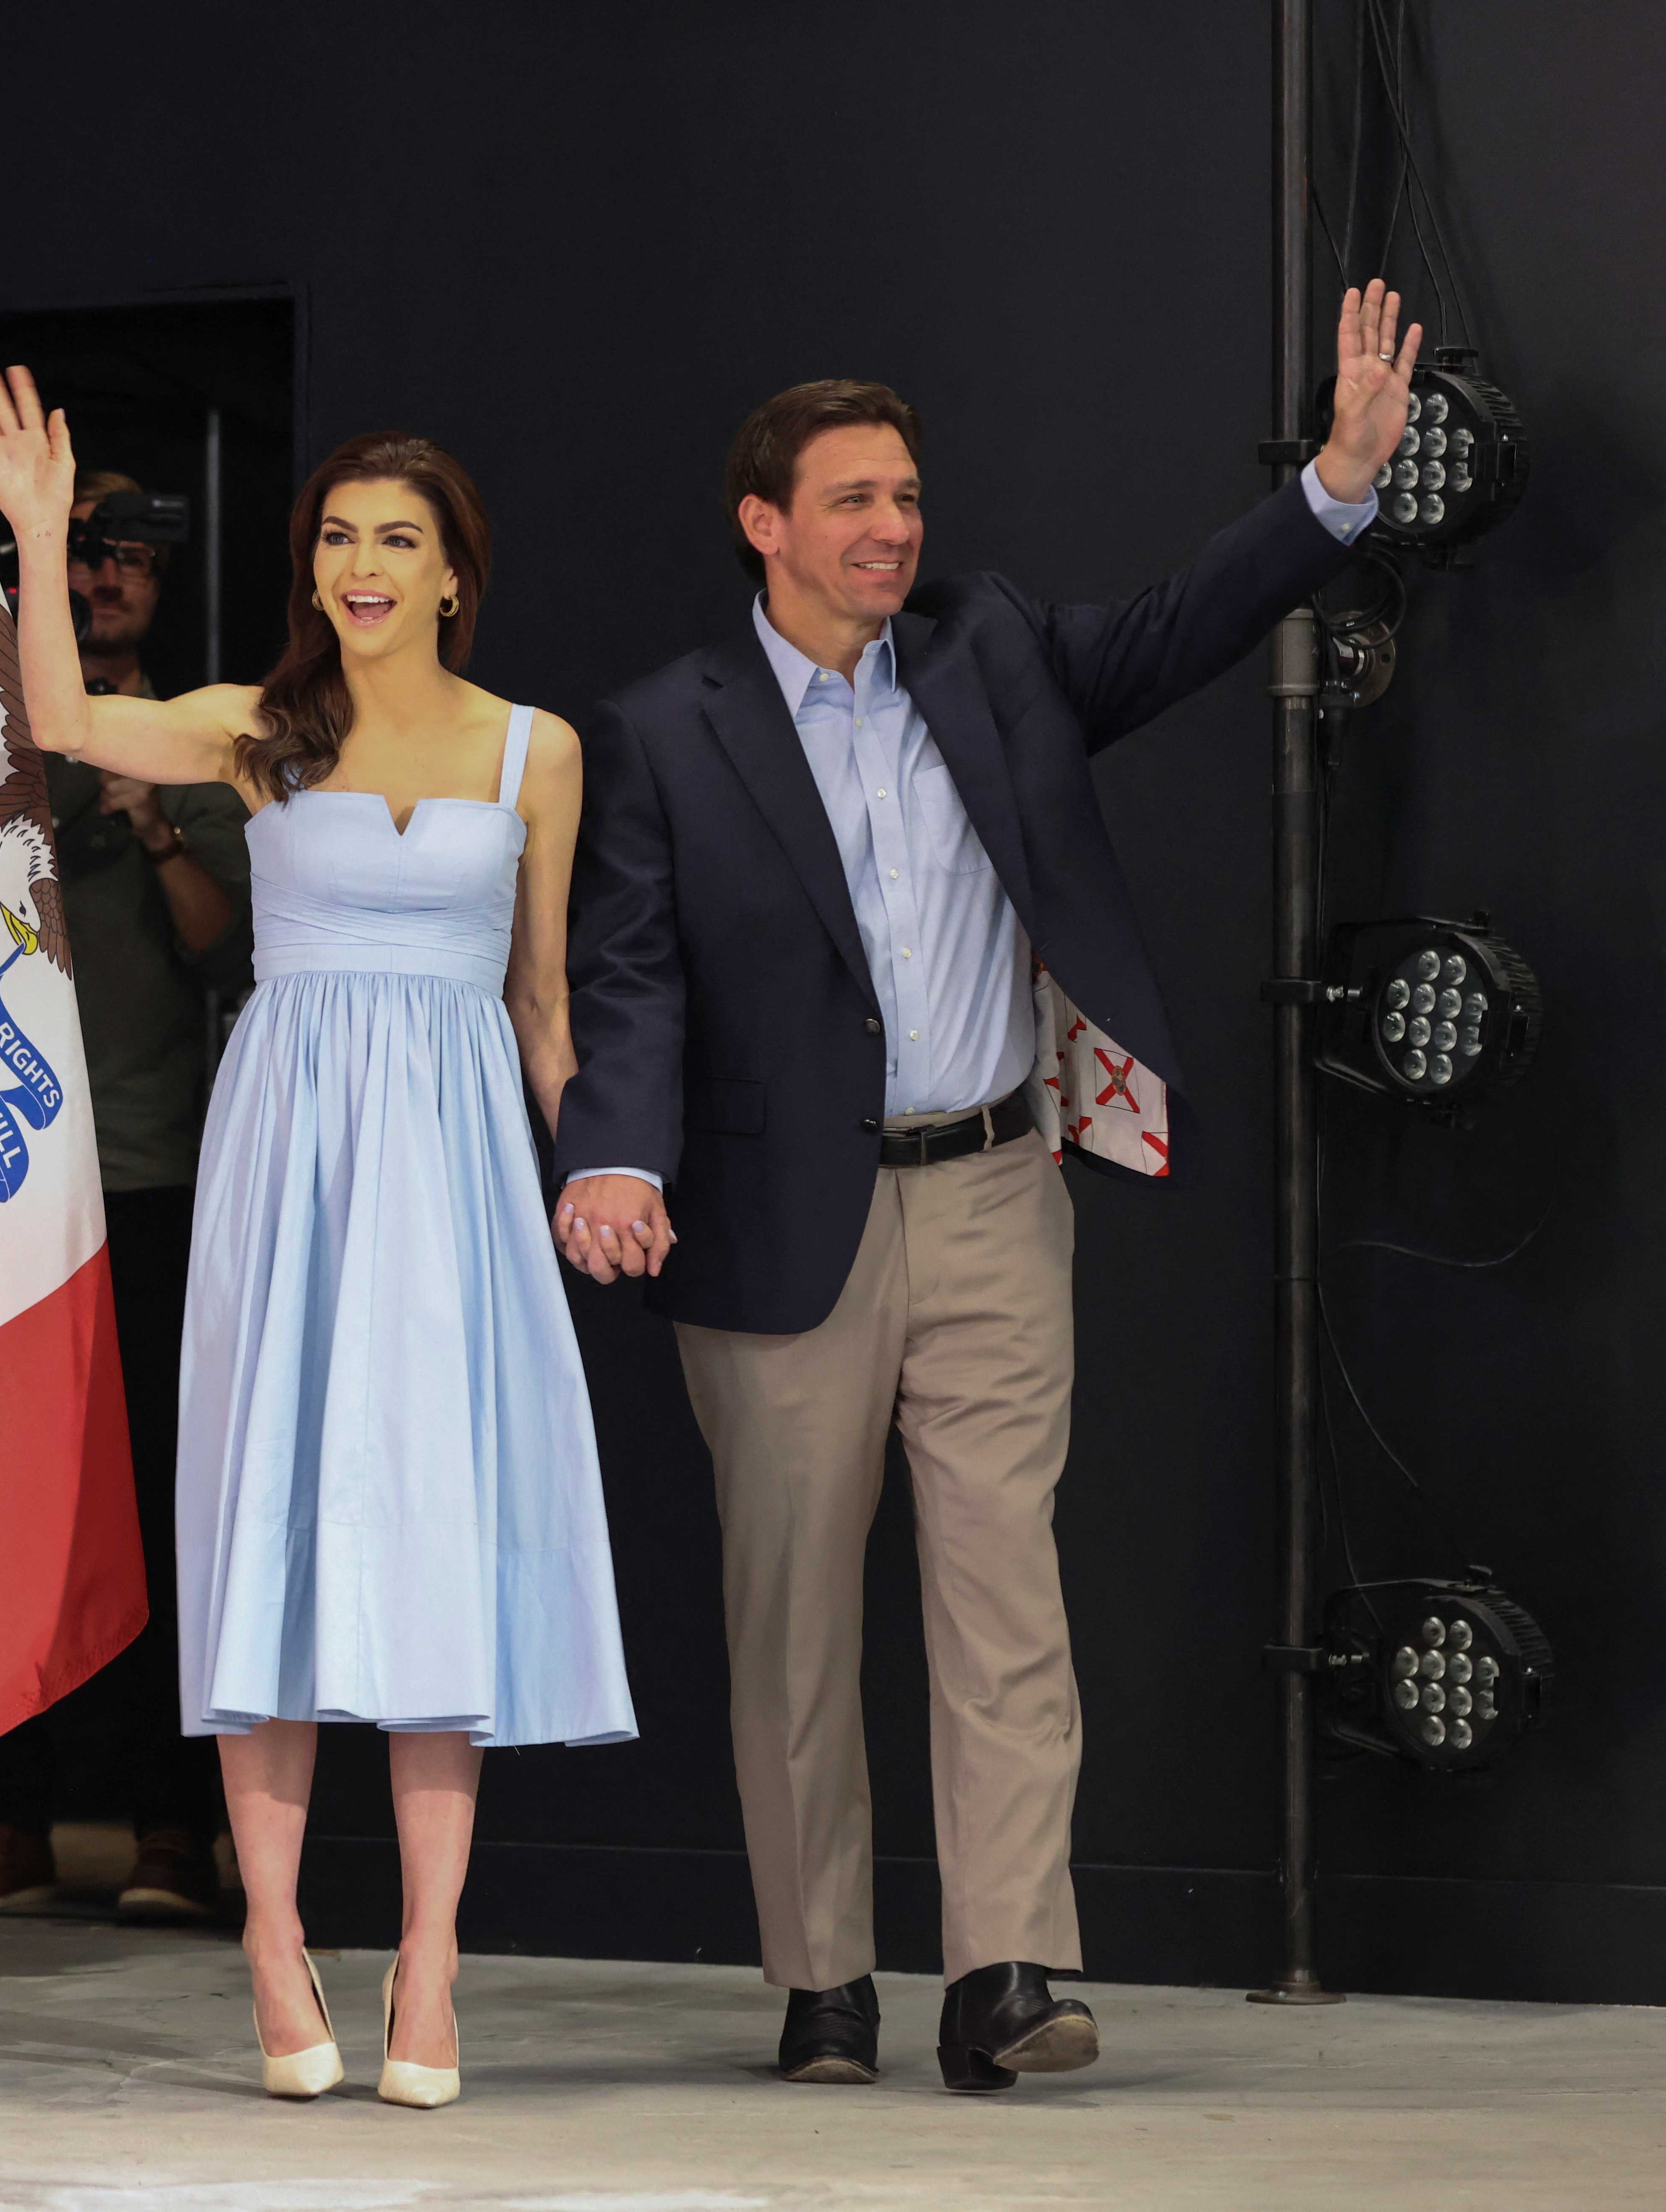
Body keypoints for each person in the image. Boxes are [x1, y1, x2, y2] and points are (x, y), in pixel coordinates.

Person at [554, 283, 1422, 2093]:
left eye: (908, 499)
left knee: (1000, 1585)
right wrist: (613, 1150)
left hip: (990, 1195)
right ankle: (818, 1980)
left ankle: (1004, 1968)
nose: (892, 529)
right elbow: (627, 970)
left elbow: (1183, 628)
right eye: (854, 499)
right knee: (788, 1614)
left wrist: (1333, 485)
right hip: (775, 1223)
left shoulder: (991, 648)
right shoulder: (660, 725)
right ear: (762, 522)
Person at [0, 368, 637, 2110]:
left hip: (456, 1158)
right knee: (270, 1511)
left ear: (452, 572)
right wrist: (36, 535)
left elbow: (544, 1004)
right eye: (337, 536)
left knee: (430, 1535)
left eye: (395, 540)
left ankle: (429, 1953)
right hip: (289, 1141)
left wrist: (600, 1168)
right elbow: (57, 717)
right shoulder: (256, 726)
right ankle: (269, 1932)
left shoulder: (529, 748)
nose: (362, 565)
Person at [0, 469, 252, 1925]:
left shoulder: (199, 752)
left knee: (174, 1511)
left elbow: (228, 953)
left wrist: (162, 828)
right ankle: (9, 1816)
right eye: (84, 559)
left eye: (132, 561)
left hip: (161, 1175)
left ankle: (177, 1829)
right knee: (7, 1511)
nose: (107, 581)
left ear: (162, 589)